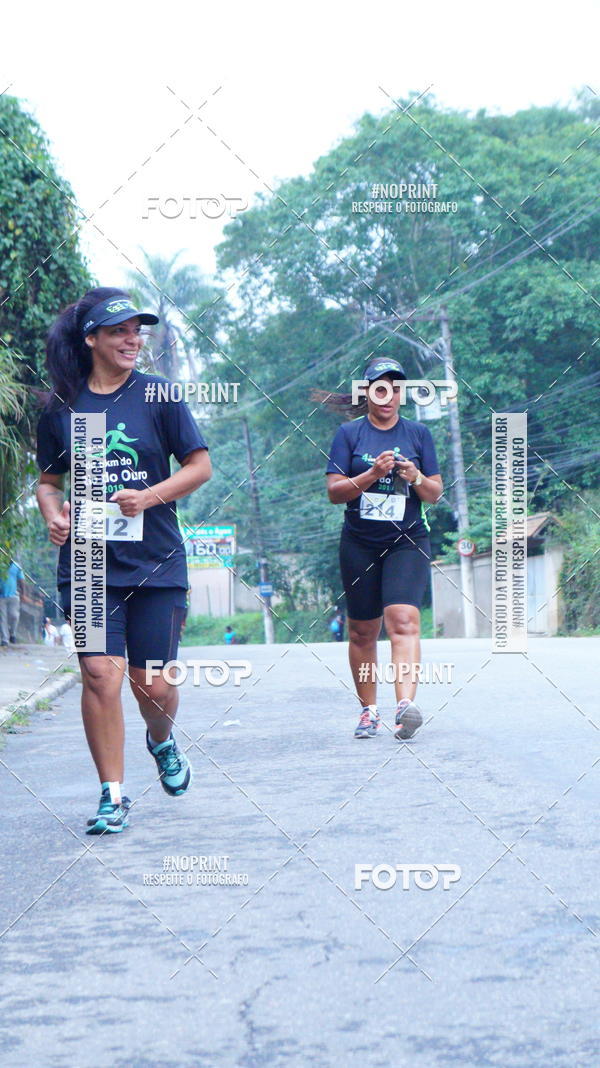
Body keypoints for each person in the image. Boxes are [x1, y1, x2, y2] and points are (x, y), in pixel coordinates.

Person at [35, 287, 212, 835]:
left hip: (156, 560)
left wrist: (148, 496)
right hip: (89, 561)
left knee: (153, 685)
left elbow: (200, 466)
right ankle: (112, 794)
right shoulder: (62, 407)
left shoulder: (159, 395)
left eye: (137, 331)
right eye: (119, 332)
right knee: (98, 675)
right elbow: (48, 481)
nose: (133, 340)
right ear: (92, 339)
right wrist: (53, 515)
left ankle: (160, 739)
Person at [324, 357, 443, 741]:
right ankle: (369, 711)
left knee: (403, 619)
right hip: (359, 542)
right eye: (380, 388)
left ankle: (405, 707)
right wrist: (372, 473)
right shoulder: (348, 434)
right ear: (367, 393)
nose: (388, 396)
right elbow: (334, 492)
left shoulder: (419, 434)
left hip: (407, 539)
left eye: (395, 389)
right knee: (362, 630)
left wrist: (416, 476)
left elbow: (434, 493)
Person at [0, 560, 25, 645]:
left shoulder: (17, 566)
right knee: (2, 618)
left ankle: (12, 633)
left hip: (14, 595)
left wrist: (23, 593)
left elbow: (21, 580)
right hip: (1, 596)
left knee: (14, 616)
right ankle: (4, 639)